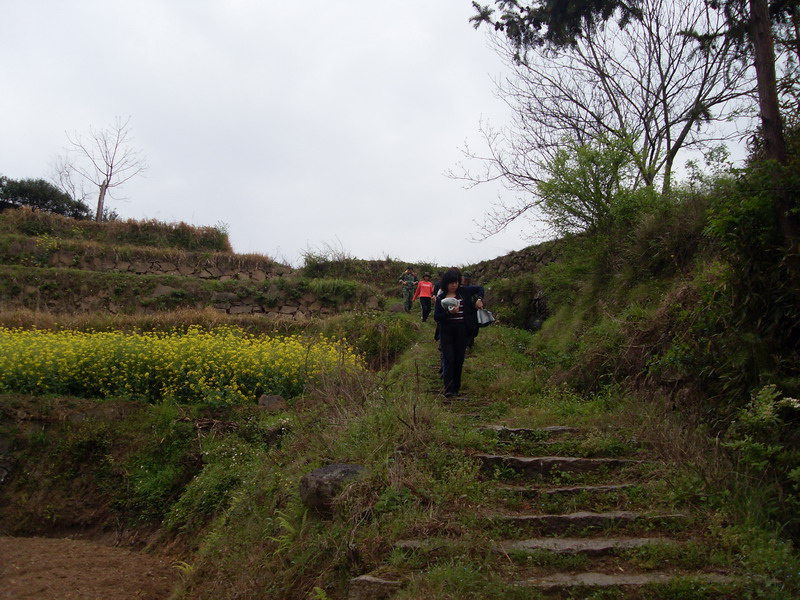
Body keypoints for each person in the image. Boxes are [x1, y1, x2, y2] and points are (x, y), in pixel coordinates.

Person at [434, 268, 485, 397]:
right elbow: (437, 317)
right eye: (451, 283)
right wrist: (448, 313)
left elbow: (480, 288)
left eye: (456, 282)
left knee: (459, 359)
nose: (454, 285)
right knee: (449, 358)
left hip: (462, 330)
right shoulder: (441, 298)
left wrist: (479, 299)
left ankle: (456, 388)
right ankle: (448, 388)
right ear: (446, 283)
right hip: (446, 331)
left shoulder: (464, 292)